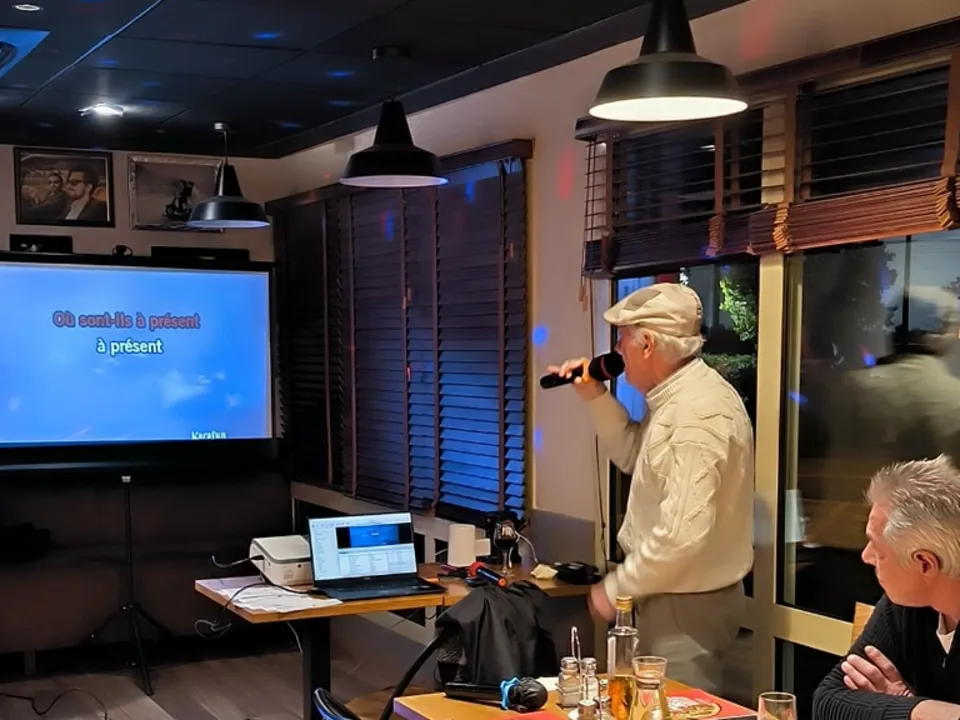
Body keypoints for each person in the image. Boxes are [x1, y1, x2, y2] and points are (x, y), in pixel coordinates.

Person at [548, 282, 753, 692]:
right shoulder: (674, 400)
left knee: (674, 711)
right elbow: (633, 455)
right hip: (664, 593)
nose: (616, 349)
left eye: (622, 338)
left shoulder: (697, 415)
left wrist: (615, 589)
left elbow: (681, 537)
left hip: (684, 606)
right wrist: (594, 395)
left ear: (647, 344)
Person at [813, 456, 960, 720]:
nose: (866, 556)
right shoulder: (905, 605)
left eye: (878, 549)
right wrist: (916, 708)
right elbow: (828, 700)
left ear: (925, 564)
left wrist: (894, 709)